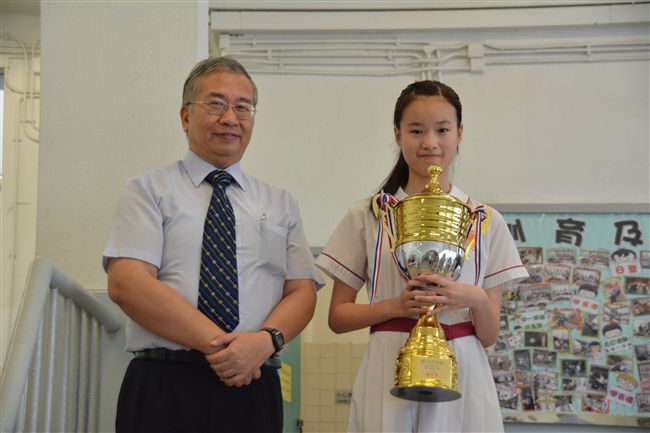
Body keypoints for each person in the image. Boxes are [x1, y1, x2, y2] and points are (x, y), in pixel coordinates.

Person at [103, 57, 322, 433]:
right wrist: (226, 349)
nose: (230, 118)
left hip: (255, 383)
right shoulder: (148, 191)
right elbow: (128, 283)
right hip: (163, 383)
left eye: (243, 107)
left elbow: (301, 292)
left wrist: (262, 343)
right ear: (185, 116)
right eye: (217, 104)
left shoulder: (280, 203)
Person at [315, 80, 528, 432]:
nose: (430, 142)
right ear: (397, 134)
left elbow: (489, 336)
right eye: (416, 130)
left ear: (459, 133)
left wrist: (474, 298)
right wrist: (396, 306)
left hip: (463, 369)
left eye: (442, 129)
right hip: (389, 364)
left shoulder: (484, 219)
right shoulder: (369, 214)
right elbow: (337, 317)